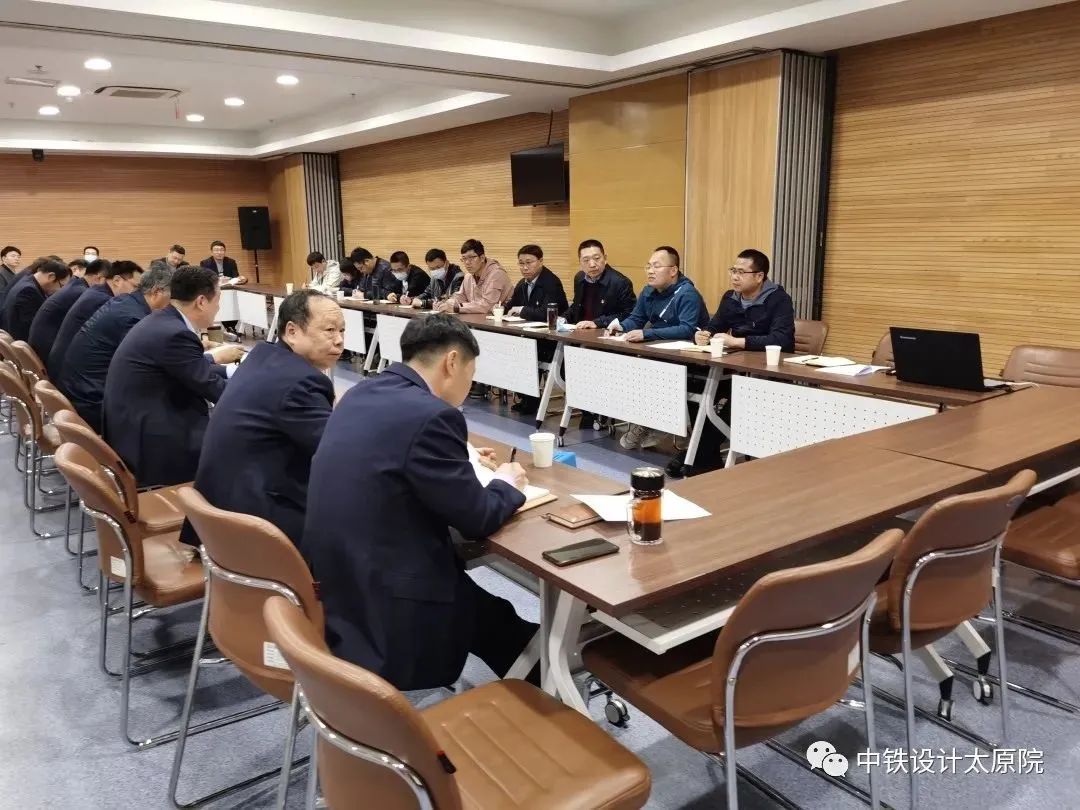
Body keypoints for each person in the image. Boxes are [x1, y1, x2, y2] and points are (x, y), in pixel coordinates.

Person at [303, 314, 538, 690]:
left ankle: (540, 678)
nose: (470, 384)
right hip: (392, 599)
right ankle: (550, 698)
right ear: (452, 362)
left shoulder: (361, 392)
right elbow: (477, 518)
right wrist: (507, 483)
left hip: (342, 581)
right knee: (495, 621)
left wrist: (460, 455)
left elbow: (395, 453)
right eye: (472, 372)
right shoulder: (435, 415)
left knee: (494, 616)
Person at [188, 290, 343, 547]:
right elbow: (337, 454)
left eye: (342, 330)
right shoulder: (300, 382)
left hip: (220, 509)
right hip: (257, 524)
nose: (339, 341)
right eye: (329, 330)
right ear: (292, 331)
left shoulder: (262, 356)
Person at [103, 266, 244, 487]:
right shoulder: (175, 333)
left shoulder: (163, 321)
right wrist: (261, 392)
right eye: (218, 300)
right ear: (201, 301)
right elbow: (213, 389)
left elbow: (192, 369)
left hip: (134, 422)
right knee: (242, 444)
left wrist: (235, 373)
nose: (218, 308)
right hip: (152, 439)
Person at [611, 246, 708, 450]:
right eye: (648, 266)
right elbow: (637, 318)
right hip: (658, 353)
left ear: (673, 270)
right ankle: (649, 421)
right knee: (629, 368)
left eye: (656, 266)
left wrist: (647, 334)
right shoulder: (648, 291)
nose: (650, 271)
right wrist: (621, 326)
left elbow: (687, 329)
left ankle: (658, 423)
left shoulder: (687, 293)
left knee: (652, 370)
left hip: (687, 358)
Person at [59, 264, 175, 432]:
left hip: (80, 389)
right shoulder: (133, 317)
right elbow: (149, 367)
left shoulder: (125, 302)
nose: (173, 304)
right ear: (157, 292)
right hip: (93, 402)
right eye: (173, 298)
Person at [48, 260, 141, 380]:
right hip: (70, 374)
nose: (138, 294)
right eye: (135, 287)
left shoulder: (96, 292)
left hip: (67, 366)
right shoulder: (104, 300)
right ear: (117, 280)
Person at [693, 249, 796, 353]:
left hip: (768, 359)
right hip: (737, 357)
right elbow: (714, 327)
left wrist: (736, 342)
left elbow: (782, 339)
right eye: (733, 271)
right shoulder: (730, 298)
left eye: (741, 272)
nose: (734, 277)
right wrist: (701, 336)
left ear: (759, 276)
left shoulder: (779, 299)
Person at [506, 244, 568, 414]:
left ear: (540, 261)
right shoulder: (522, 283)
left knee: (524, 349)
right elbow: (511, 306)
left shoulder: (551, 283)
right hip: (531, 336)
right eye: (521, 263)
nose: (525, 267)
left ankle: (531, 399)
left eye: (529, 262)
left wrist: (522, 310)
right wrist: (500, 309)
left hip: (552, 339)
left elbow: (547, 313)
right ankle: (527, 397)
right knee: (513, 346)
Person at [28, 258, 100, 363]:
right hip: (46, 352)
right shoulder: (80, 292)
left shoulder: (76, 287)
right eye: (61, 286)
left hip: (40, 346)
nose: (60, 290)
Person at [562, 239, 636, 330]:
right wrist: (562, 319)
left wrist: (597, 323)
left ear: (605, 258)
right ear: (580, 262)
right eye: (586, 260)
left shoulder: (620, 282)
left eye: (597, 258)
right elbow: (576, 306)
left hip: (605, 332)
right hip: (580, 331)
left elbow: (628, 314)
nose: (592, 264)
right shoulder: (579, 278)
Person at [435, 238, 513, 315]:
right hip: (479, 318)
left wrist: (457, 308)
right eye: (464, 258)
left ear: (482, 258)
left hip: (505, 318)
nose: (467, 262)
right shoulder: (469, 276)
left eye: (471, 258)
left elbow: (487, 305)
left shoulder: (496, 274)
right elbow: (461, 296)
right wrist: (445, 303)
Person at [0, 257, 70, 340]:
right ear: (51, 276)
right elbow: (32, 327)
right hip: (20, 341)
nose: (60, 291)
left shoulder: (28, 281)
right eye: (61, 286)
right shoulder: (28, 291)